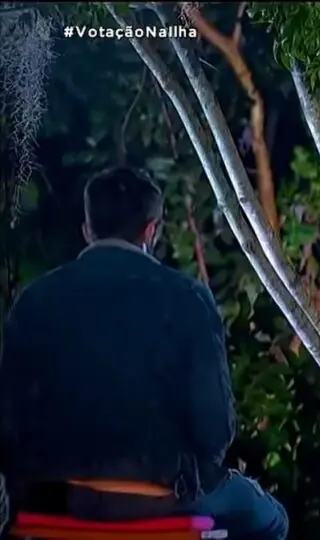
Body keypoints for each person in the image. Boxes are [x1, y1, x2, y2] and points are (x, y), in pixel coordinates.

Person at [0, 167, 288, 539]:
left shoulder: (35, 300)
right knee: (270, 520)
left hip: (59, 502)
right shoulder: (188, 299)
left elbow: (9, 420)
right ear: (151, 231)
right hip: (162, 500)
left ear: (87, 229)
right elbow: (214, 431)